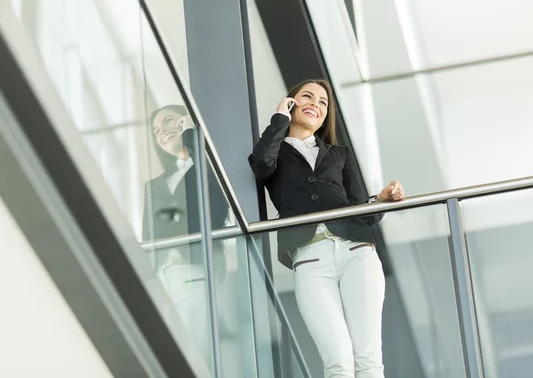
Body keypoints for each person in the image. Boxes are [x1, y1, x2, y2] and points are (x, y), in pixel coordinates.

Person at [249, 79, 404, 378]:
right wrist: (279, 118)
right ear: (291, 103)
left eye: (323, 103)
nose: (316, 105)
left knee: (368, 359)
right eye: (307, 97)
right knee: (338, 362)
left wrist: (380, 200)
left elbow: (363, 212)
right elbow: (261, 165)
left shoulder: (340, 155)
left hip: (357, 253)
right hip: (309, 258)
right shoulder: (274, 151)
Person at [142, 104, 228, 361]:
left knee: (195, 347)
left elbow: (217, 207)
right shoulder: (153, 185)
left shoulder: (209, 168)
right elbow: (148, 238)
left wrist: (192, 132)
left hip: (195, 268)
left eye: (168, 121)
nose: (162, 132)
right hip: (162, 276)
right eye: (156, 130)